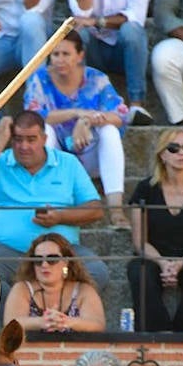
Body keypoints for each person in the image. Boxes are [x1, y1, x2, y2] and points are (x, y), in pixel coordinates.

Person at [0, 111, 111, 299]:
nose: (24, 146)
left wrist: (60, 217)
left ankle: (55, 316)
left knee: (98, 271)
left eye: (31, 139)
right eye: (17, 139)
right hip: (8, 252)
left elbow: (96, 209)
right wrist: (0, 141)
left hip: (61, 252)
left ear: (44, 138)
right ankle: (16, 320)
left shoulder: (67, 163)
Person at [24, 30, 132, 225]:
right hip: (57, 157)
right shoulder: (40, 79)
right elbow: (32, 117)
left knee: (109, 131)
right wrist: (78, 113)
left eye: (66, 54)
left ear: (80, 55)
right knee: (43, 130)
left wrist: (87, 121)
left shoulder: (96, 79)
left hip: (91, 154)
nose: (59, 60)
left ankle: (116, 209)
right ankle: (50, 202)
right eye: (55, 54)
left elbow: (120, 115)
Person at [127, 127, 183, 332]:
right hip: (153, 256)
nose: (182, 154)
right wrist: (162, 263)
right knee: (139, 272)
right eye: (174, 148)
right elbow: (139, 240)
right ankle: (157, 332)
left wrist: (180, 264)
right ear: (162, 154)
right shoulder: (145, 189)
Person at [65, 0, 155, 125]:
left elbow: (136, 16)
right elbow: (81, 13)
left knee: (132, 31)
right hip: (92, 49)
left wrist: (97, 21)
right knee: (78, 34)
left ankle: (136, 105)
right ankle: (82, 104)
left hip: (122, 50)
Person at [2, 232, 108, 332]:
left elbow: (97, 324)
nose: (44, 265)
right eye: (38, 260)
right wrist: (42, 322)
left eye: (52, 259)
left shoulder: (83, 290)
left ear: (66, 262)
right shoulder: (22, 288)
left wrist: (65, 321)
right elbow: (10, 323)